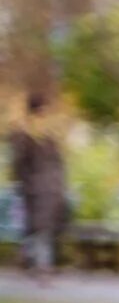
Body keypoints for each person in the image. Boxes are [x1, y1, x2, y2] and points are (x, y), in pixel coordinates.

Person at [9, 89, 69, 286]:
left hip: (48, 191)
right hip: (36, 191)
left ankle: (35, 263)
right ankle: (41, 268)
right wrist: (26, 185)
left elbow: (58, 164)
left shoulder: (47, 136)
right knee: (39, 230)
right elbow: (19, 165)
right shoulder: (27, 135)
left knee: (40, 230)